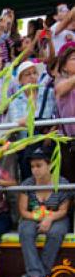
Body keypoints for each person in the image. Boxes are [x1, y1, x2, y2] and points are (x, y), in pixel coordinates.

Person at [18, 147, 71, 277]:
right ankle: (37, 274)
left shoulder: (62, 183)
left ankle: (37, 275)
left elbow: (63, 210)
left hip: (57, 216)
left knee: (56, 232)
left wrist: (49, 218)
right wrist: (39, 217)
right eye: (32, 166)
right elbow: (23, 211)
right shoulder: (28, 184)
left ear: (50, 165)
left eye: (39, 165)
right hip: (32, 216)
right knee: (25, 230)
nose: (35, 170)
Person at [54, 44, 75, 180]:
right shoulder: (60, 80)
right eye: (73, 58)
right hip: (69, 141)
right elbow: (61, 89)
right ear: (64, 66)